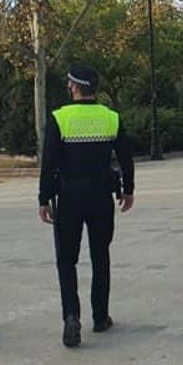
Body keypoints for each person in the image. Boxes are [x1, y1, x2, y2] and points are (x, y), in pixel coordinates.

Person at [39, 65, 135, 348]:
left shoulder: (60, 118)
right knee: (100, 256)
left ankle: (71, 316)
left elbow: (49, 164)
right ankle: (100, 316)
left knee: (66, 260)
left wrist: (44, 198)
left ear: (74, 87)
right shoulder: (111, 118)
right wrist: (128, 189)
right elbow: (126, 158)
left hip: (69, 197)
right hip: (101, 196)